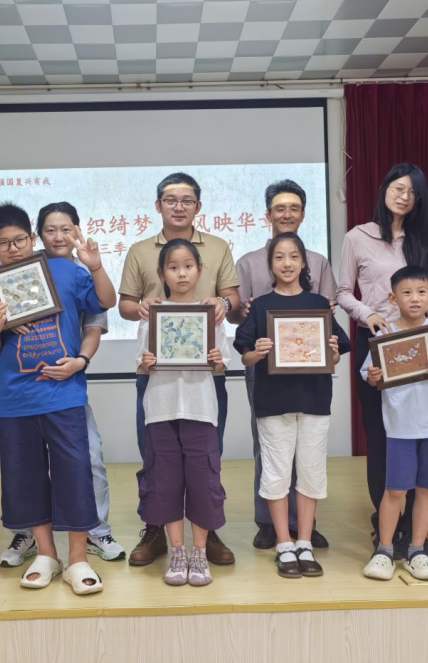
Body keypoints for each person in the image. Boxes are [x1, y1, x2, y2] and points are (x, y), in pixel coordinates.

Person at [0, 202, 125, 566]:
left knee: (79, 469)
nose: (13, 248)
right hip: (16, 395)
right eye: (3, 243)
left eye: (19, 240)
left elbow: (105, 302)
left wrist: (95, 265)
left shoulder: (68, 270)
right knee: (25, 473)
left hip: (64, 392)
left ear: (30, 239)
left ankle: (85, 547)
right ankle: (41, 548)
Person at [119, 172, 239, 567]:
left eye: (187, 200)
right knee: (159, 459)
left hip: (205, 381)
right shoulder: (139, 250)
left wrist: (223, 305)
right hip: (158, 380)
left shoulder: (219, 247)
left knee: (206, 458)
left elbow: (232, 300)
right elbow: (125, 305)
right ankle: (156, 530)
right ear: (158, 205)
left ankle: (207, 533)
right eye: (170, 200)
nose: (179, 206)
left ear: (198, 206)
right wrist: (141, 310)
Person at [336, 164, 428, 559]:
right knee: (381, 435)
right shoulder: (358, 236)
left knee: (416, 434)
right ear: (384, 189)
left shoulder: (425, 240)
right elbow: (342, 291)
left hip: (419, 342)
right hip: (377, 342)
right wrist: (365, 313)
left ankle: (414, 532)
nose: (404, 196)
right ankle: (385, 524)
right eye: (398, 188)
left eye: (413, 192)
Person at [234, 233, 350, 579]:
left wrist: (331, 352)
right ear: (270, 264)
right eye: (279, 257)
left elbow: (335, 356)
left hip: (314, 399)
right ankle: (284, 544)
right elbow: (245, 356)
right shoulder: (260, 306)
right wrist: (258, 352)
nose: (287, 263)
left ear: (304, 262)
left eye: (294, 257)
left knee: (312, 472)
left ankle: (305, 542)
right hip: (273, 401)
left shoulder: (319, 305)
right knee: (276, 472)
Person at [230, 179, 337, 551]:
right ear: (268, 215)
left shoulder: (319, 262)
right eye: (280, 208)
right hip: (265, 367)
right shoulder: (247, 262)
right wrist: (245, 317)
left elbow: (325, 315)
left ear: (303, 214)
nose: (287, 214)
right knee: (269, 443)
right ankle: (269, 523)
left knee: (308, 450)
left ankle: (303, 526)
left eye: (294, 208)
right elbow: (238, 319)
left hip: (310, 373)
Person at [137, 239, 231, 586]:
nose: (181, 273)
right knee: (165, 481)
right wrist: (147, 361)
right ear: (161, 273)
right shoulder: (151, 315)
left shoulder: (211, 314)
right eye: (173, 267)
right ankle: (177, 551)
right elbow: (141, 363)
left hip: (200, 408)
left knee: (203, 480)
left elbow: (223, 363)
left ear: (200, 270)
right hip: (160, 409)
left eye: (188, 266)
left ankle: (199, 553)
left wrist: (217, 360)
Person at [360, 266, 428, 582]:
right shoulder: (385, 335)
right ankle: (384, 550)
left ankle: (417, 551)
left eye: (421, 292)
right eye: (406, 293)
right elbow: (369, 375)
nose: (414, 299)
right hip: (400, 428)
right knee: (395, 490)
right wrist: (374, 377)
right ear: (393, 298)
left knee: (426, 490)